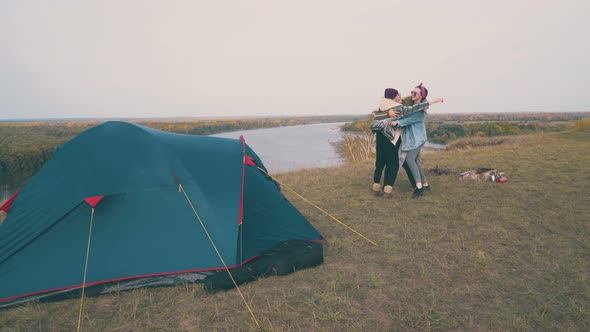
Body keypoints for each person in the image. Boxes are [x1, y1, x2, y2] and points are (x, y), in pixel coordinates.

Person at [370, 88, 429, 197]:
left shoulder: (384, 104)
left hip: (386, 139)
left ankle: (377, 187)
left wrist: (387, 114)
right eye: (398, 95)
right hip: (393, 139)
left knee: (383, 163)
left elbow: (379, 116)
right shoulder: (396, 107)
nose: (400, 97)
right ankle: (390, 189)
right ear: (393, 97)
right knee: (397, 163)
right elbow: (408, 112)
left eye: (414, 93)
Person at [390, 83, 444, 197]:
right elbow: (400, 104)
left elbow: (410, 119)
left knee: (409, 159)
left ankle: (419, 188)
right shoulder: (412, 106)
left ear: (421, 96)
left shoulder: (421, 109)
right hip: (413, 138)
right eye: (412, 92)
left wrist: (397, 123)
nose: (412, 94)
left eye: (415, 93)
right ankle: (425, 184)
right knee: (415, 161)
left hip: (418, 139)